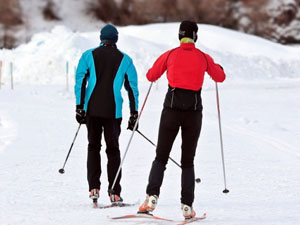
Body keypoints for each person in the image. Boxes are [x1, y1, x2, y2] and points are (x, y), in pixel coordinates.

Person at [138, 21, 226, 219]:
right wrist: (218, 67)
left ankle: (151, 198)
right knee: (188, 161)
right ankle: (187, 206)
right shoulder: (203, 57)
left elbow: (151, 76)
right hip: (193, 114)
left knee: (161, 156)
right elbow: (220, 77)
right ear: (195, 36)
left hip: (171, 111)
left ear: (179, 36)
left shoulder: (170, 54)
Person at [74, 24, 139, 206]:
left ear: (101, 38)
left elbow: (80, 82)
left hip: (92, 110)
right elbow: (132, 89)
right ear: (116, 39)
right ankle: (115, 193)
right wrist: (134, 114)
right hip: (113, 112)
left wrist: (79, 107)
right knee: (113, 150)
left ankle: (94, 188)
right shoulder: (125, 60)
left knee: (93, 147)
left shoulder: (88, 55)